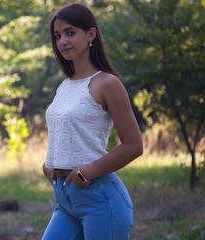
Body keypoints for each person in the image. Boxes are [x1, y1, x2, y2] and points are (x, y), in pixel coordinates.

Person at [42, 3, 143, 240]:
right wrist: (50, 163)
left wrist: (87, 172)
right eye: (57, 36)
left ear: (91, 34)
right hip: (65, 201)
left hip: (99, 198)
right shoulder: (64, 86)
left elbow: (133, 145)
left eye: (70, 32)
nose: (63, 41)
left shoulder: (107, 83)